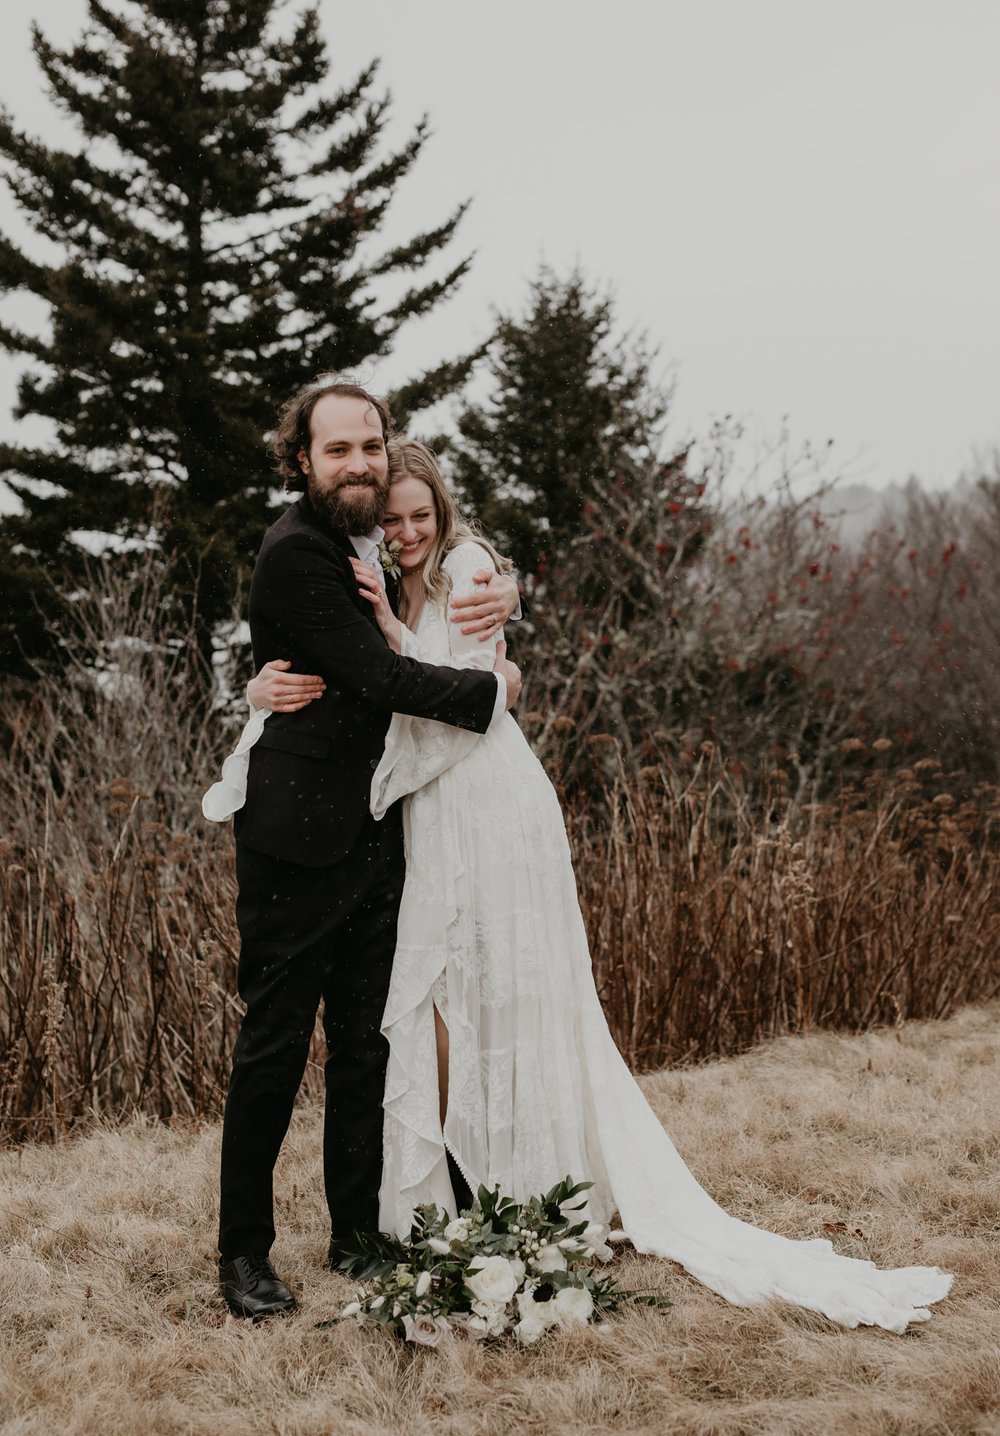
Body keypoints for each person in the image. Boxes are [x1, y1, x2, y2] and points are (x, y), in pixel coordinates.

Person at [246, 439, 952, 1335]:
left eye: (421, 514)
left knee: (498, 988)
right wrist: (265, 686)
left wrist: (453, 655)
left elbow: (461, 691)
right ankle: (467, 1180)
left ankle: (517, 1179)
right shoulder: (384, 579)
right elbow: (382, 676)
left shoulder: (467, 567)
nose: (408, 529)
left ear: (444, 514)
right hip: (437, 813)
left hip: (486, 806)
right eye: (393, 518)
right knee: (448, 994)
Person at [206, 380, 522, 1321]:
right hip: (295, 845)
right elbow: (378, 672)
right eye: (337, 449)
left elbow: (438, 589)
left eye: (370, 447)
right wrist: (495, 695)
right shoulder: (298, 551)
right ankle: (243, 1255)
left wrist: (507, 601)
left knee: (362, 1051)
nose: (359, 463)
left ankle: (355, 1234)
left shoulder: (367, 541)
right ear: (300, 459)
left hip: (378, 839)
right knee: (270, 1049)